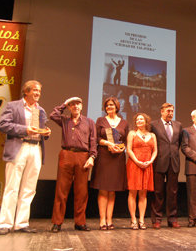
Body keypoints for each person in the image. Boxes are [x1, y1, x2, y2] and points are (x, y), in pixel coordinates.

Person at [0, 80, 51, 235]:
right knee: (12, 187)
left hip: (35, 149)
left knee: (29, 188)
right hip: (18, 147)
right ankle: (5, 223)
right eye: (34, 90)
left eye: (39, 91)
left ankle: (21, 223)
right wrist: (25, 129)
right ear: (26, 91)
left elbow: (41, 129)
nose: (37, 93)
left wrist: (46, 132)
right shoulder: (13, 106)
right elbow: (3, 125)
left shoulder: (40, 110)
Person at [50, 97, 97, 232]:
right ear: (69, 107)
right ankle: (57, 222)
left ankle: (80, 222)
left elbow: (93, 141)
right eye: (72, 104)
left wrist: (92, 156)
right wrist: (64, 104)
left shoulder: (89, 122)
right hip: (67, 154)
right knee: (61, 190)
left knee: (82, 191)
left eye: (78, 104)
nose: (75, 106)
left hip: (83, 156)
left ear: (82, 106)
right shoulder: (65, 120)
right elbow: (53, 115)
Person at [90, 97, 128, 230]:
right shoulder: (100, 121)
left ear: (117, 106)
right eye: (107, 106)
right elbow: (96, 138)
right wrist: (107, 143)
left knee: (112, 190)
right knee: (103, 189)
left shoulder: (124, 122)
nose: (109, 107)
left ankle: (109, 219)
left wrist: (120, 148)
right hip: (104, 156)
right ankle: (102, 220)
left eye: (111, 105)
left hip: (117, 158)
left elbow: (126, 142)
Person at [150, 103, 183, 229]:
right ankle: (157, 219)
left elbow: (178, 143)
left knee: (173, 192)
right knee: (158, 191)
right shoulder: (153, 125)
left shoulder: (178, 125)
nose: (170, 113)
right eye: (168, 111)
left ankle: (172, 219)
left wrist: (172, 154)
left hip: (173, 162)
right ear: (162, 111)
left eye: (172, 111)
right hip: (159, 161)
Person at [126, 113, 157, 230]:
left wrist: (150, 161)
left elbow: (155, 151)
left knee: (143, 194)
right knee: (133, 193)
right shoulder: (132, 134)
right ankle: (133, 220)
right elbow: (128, 149)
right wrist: (137, 161)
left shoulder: (152, 135)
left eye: (141, 119)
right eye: (137, 119)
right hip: (134, 165)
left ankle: (142, 220)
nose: (139, 121)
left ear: (146, 121)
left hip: (147, 165)